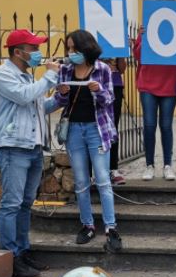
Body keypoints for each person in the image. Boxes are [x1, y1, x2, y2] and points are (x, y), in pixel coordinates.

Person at [0, 29, 59, 277]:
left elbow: (40, 106)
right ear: (18, 52)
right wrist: (50, 76)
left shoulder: (30, 77)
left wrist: (60, 98)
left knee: (25, 204)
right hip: (14, 147)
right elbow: (23, 97)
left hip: (33, 147)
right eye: (33, 48)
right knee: (11, 204)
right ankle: (10, 258)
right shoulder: (2, 74)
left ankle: (23, 251)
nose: (38, 53)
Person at [48, 30, 122, 253]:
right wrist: (62, 93)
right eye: (69, 48)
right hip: (74, 130)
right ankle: (87, 225)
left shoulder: (102, 69)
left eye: (75, 48)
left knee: (102, 179)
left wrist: (98, 90)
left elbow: (109, 100)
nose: (71, 52)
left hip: (96, 129)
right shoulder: (66, 70)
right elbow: (60, 101)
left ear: (85, 48)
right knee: (81, 181)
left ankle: (111, 227)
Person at [133, 0, 176, 181]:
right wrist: (144, 36)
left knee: (166, 125)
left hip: (170, 83)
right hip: (148, 83)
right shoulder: (145, 30)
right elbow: (138, 55)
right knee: (149, 125)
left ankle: (168, 165)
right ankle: (149, 165)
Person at [108, 57, 128, 185]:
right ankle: (90, 173)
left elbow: (122, 69)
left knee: (112, 128)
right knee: (92, 126)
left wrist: (122, 53)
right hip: (93, 81)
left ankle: (113, 168)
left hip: (114, 84)